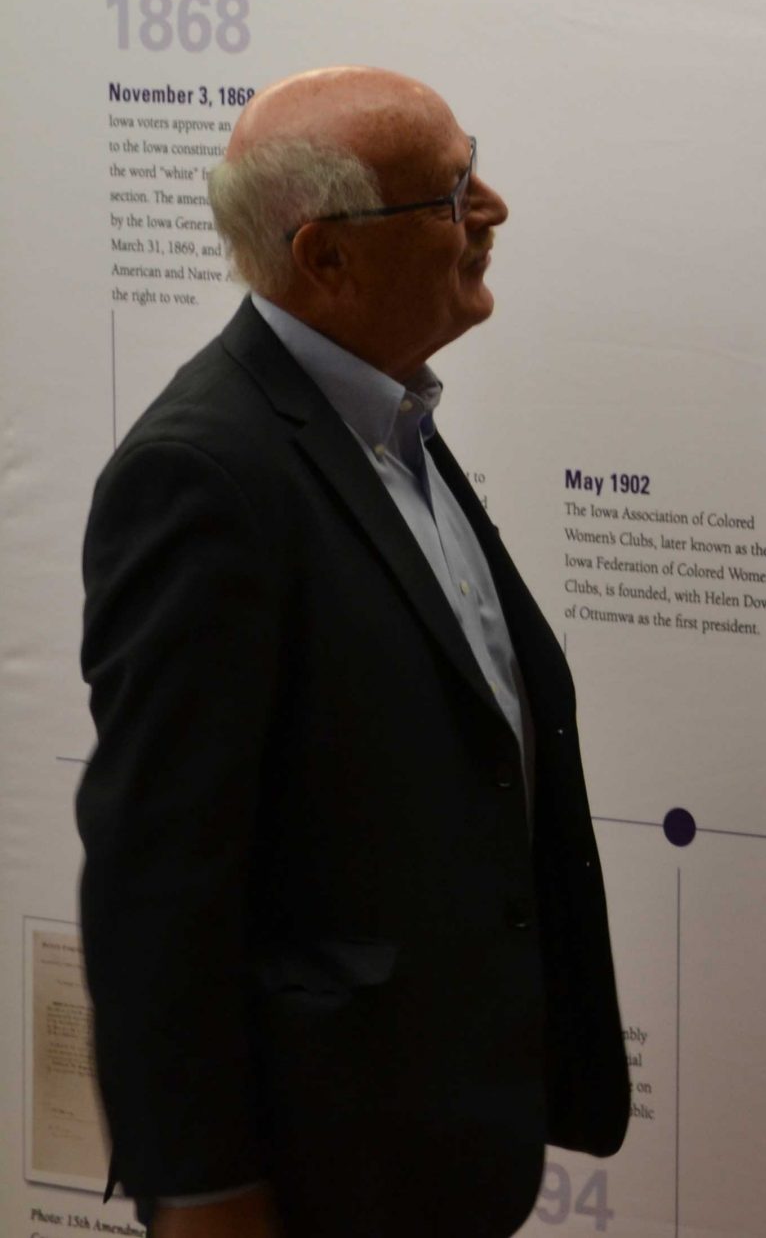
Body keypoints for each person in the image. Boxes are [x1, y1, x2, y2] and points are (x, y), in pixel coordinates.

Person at [75, 67, 627, 1236]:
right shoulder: (206, 474)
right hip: (324, 1168)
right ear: (327, 258)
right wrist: (207, 1190)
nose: (494, 210)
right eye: (450, 192)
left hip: (432, 1138)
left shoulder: (383, 420)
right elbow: (157, 879)